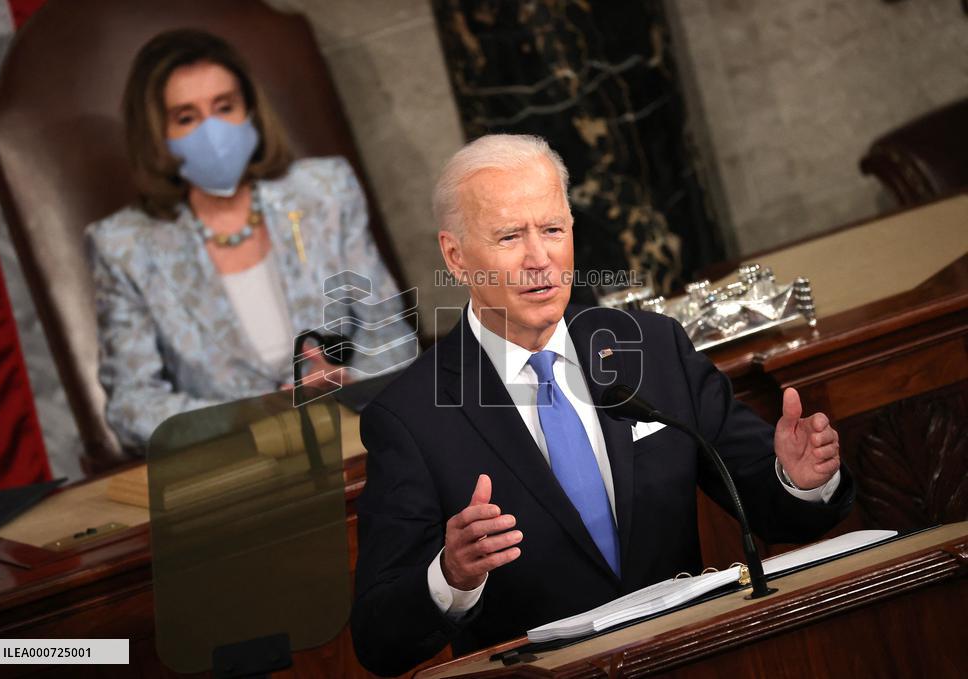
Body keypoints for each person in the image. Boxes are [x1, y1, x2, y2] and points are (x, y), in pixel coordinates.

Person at [351, 134, 853, 676]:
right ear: (456, 256)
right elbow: (380, 640)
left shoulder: (652, 348)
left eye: (552, 230)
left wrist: (801, 480)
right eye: (509, 237)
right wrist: (450, 576)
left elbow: (772, 503)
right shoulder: (411, 417)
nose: (539, 259)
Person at [86, 29, 414, 450]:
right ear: (156, 135)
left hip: (357, 433)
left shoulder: (325, 191)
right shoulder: (123, 246)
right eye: (186, 118)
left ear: (250, 111)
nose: (212, 132)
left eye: (225, 107)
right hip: (238, 459)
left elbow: (389, 331)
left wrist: (350, 381)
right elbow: (132, 406)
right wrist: (248, 416)